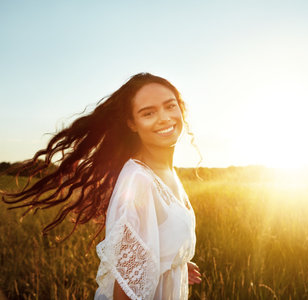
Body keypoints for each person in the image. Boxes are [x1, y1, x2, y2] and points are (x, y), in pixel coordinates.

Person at [1, 73, 202, 299]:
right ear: (131, 123)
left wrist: (175, 263)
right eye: (148, 113)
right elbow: (124, 293)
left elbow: (154, 245)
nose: (164, 118)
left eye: (170, 106)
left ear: (181, 108)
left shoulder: (166, 172)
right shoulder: (139, 181)